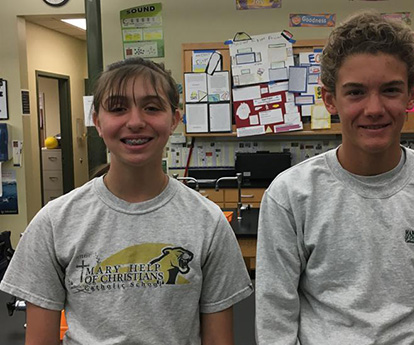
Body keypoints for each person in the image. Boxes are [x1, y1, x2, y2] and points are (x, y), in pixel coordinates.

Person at [255, 11, 414, 345]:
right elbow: (275, 318)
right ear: (329, 99)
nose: (374, 108)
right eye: (355, 92)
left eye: (391, 90)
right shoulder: (290, 195)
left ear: (412, 95)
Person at [0, 57, 253, 344]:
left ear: (174, 119)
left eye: (152, 108)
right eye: (118, 108)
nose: (135, 122)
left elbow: (219, 340)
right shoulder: (55, 222)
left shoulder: (207, 222)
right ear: (97, 119)